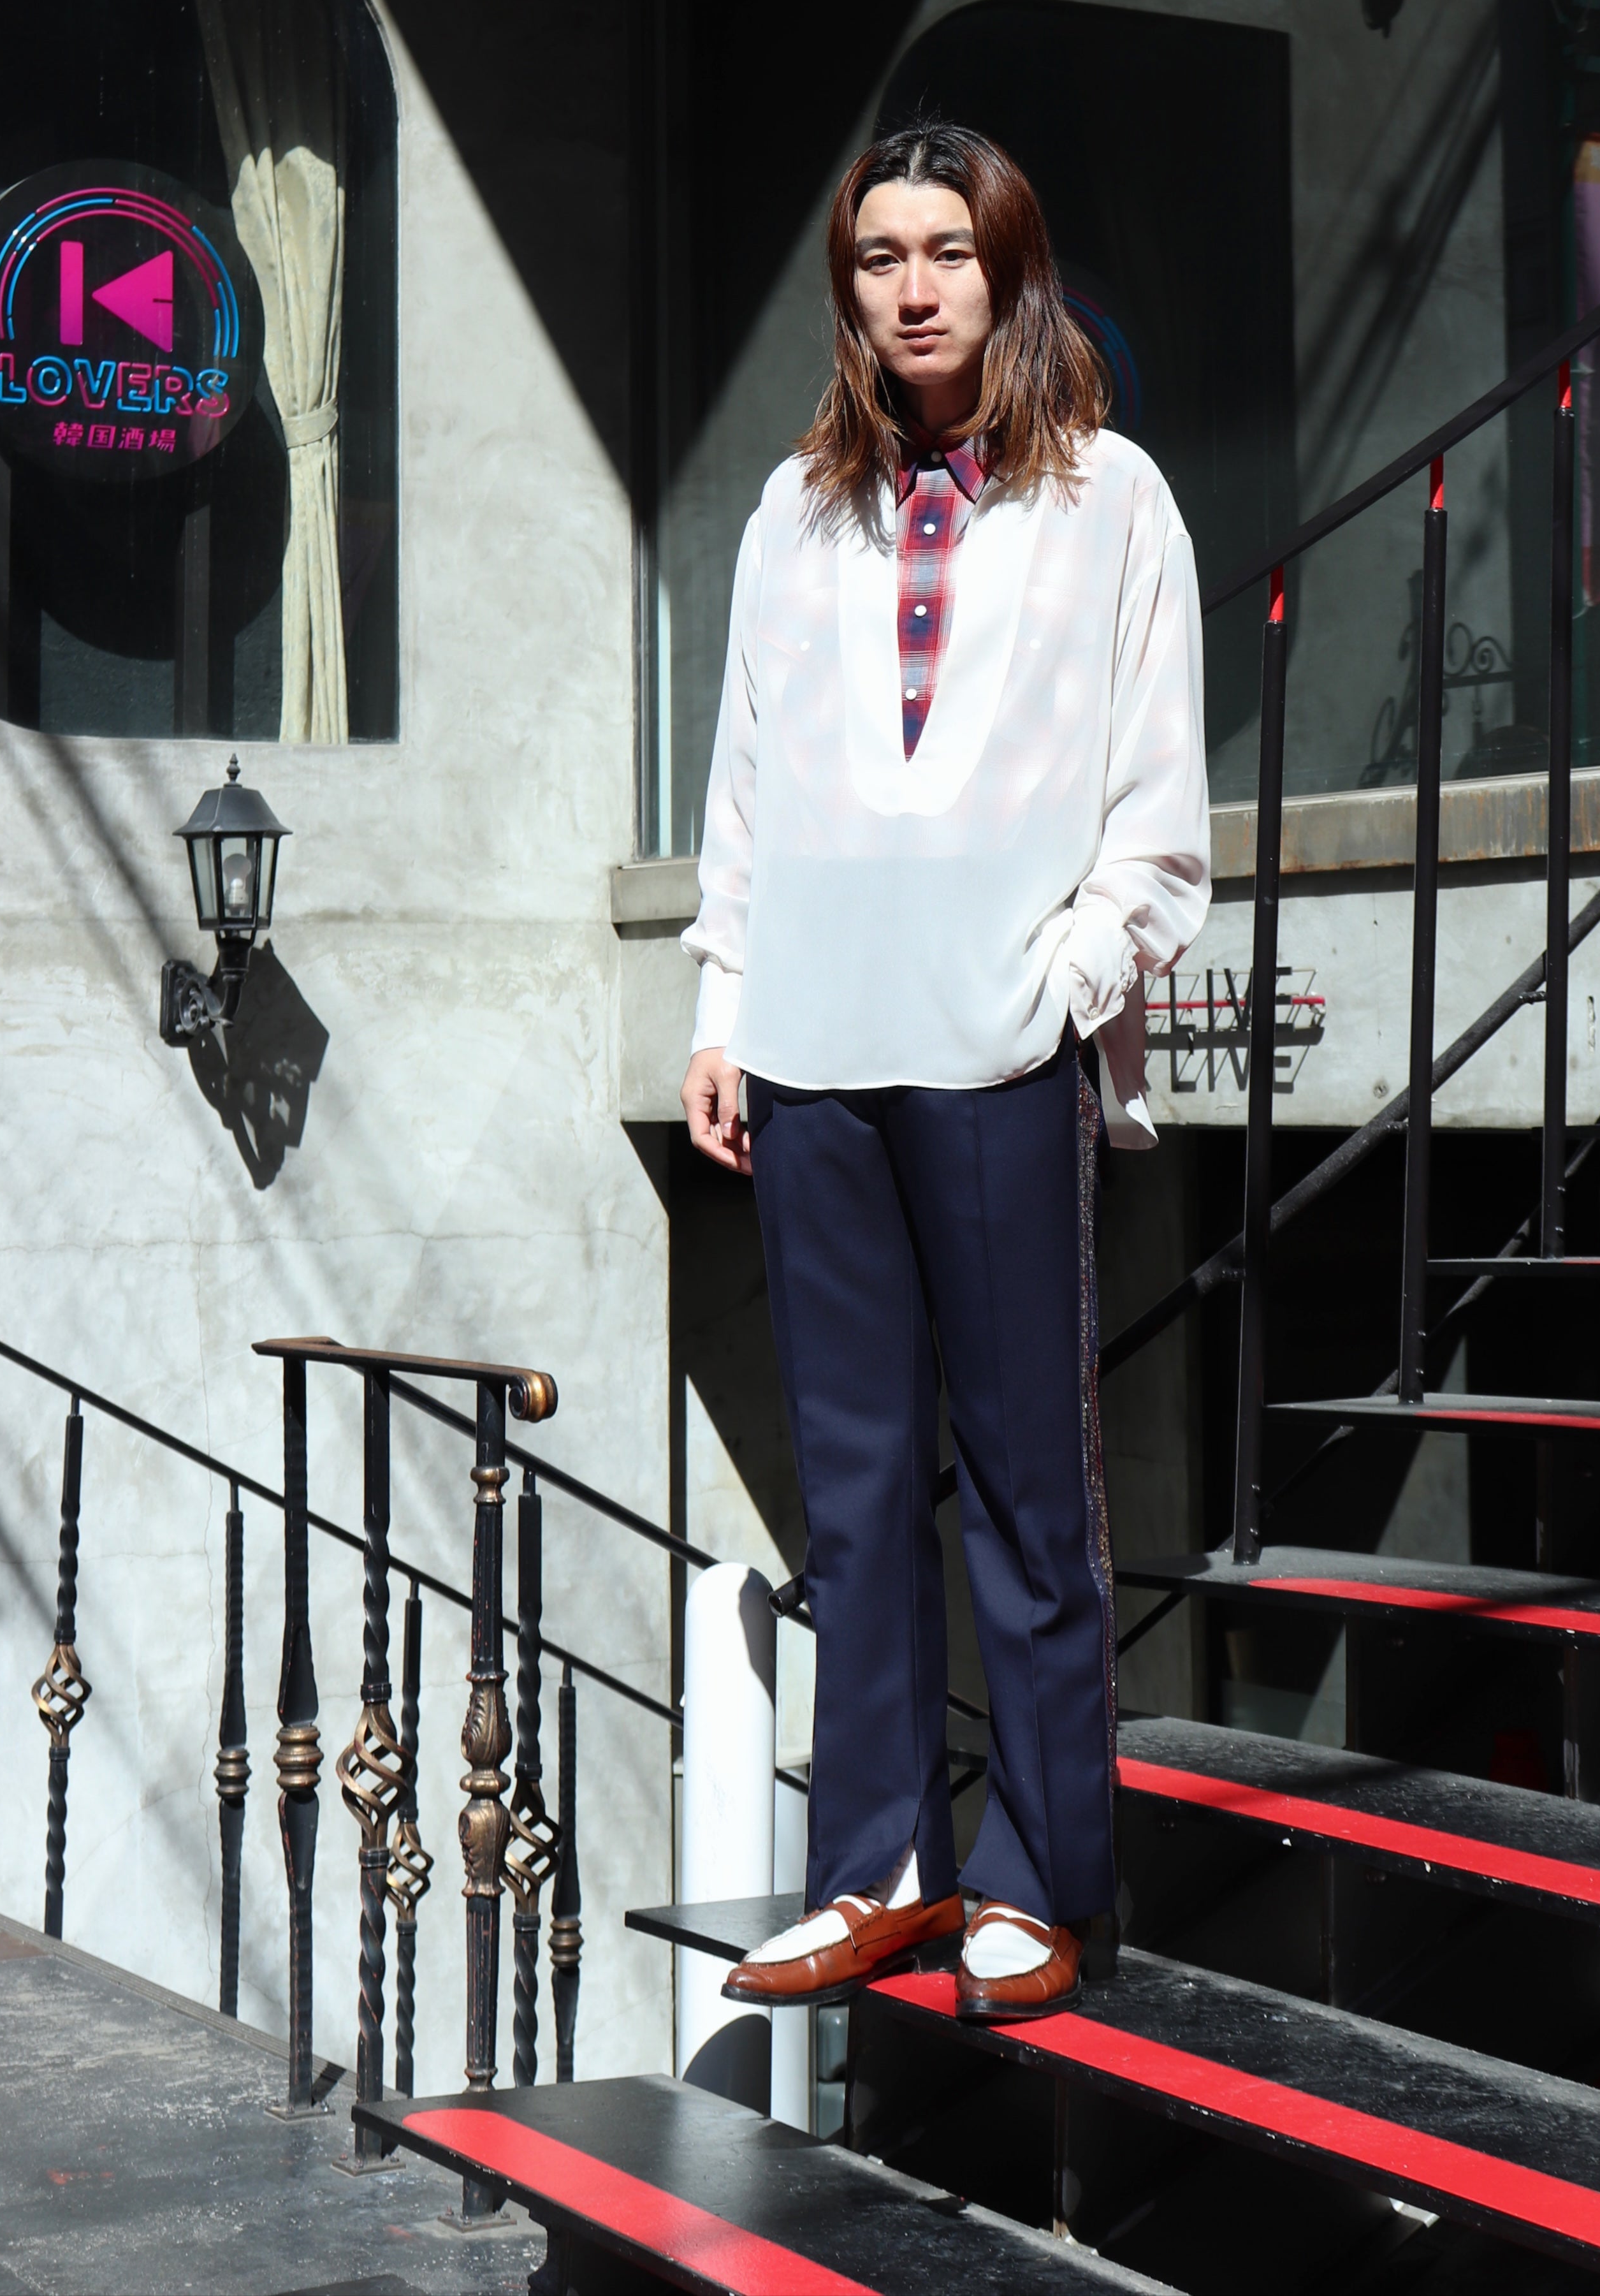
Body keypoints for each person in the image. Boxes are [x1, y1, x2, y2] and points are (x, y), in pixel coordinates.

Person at [679, 122, 1209, 2022]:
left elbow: (1159, 807)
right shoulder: (792, 510)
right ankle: (879, 1869)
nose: (913, 288)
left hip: (997, 1048)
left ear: (1011, 270)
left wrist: (1068, 981)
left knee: (1028, 1486)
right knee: (854, 1478)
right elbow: (746, 776)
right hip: (813, 1045)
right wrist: (722, 1003)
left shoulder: (1111, 498)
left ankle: (1044, 1875)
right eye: (880, 256)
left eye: (948, 252)